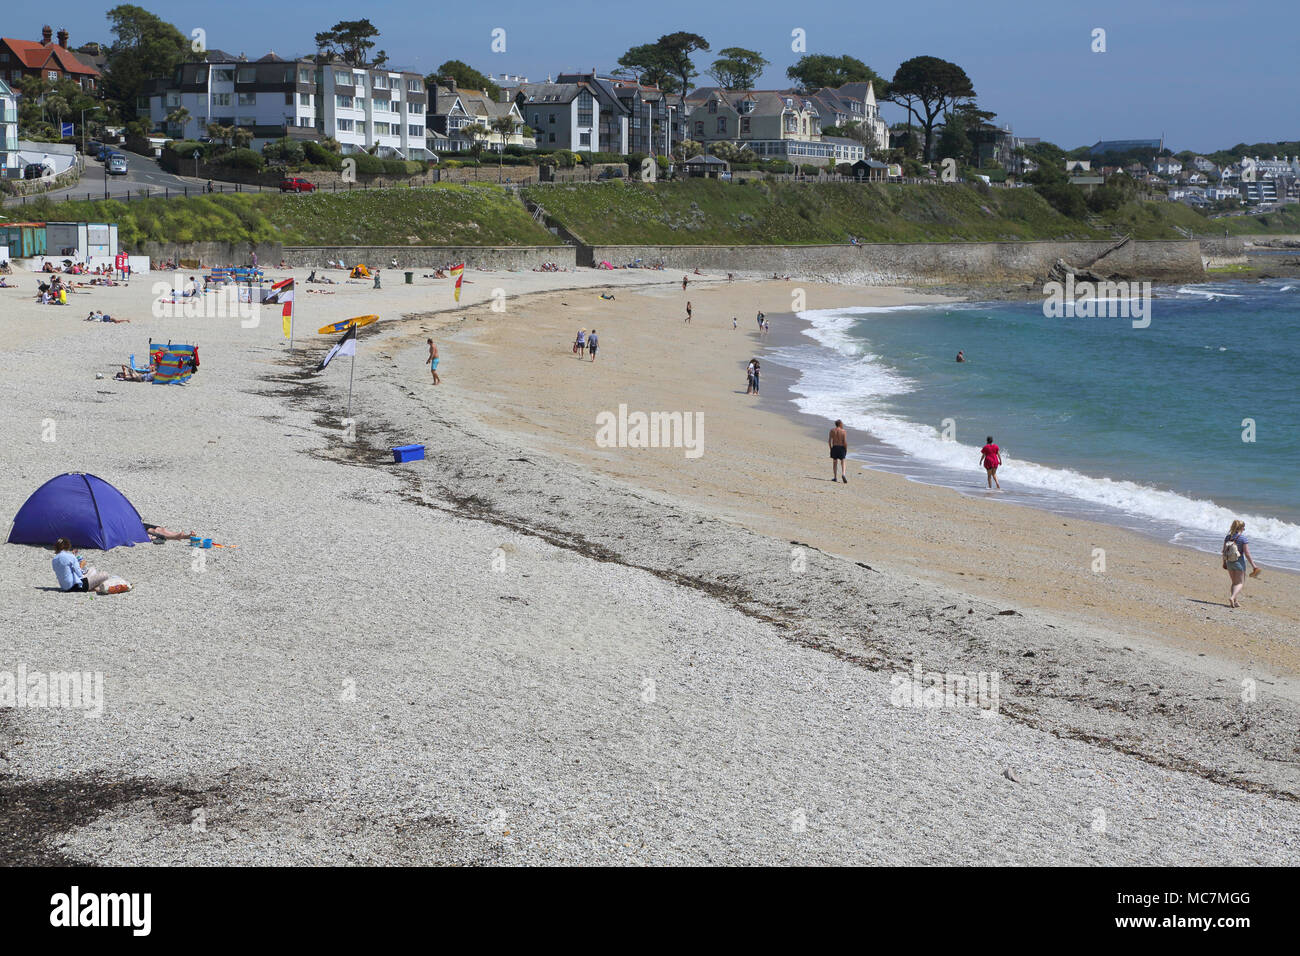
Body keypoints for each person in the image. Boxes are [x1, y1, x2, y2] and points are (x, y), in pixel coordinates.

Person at [1221, 519, 1260, 608]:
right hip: (1239, 562)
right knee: (1240, 583)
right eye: (1244, 528)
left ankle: (1235, 601)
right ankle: (1232, 597)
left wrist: (1224, 562)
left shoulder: (1228, 537)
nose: (1244, 529)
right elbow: (1247, 553)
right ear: (1241, 528)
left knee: (1234, 582)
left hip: (1229, 562)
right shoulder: (1243, 538)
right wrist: (1254, 566)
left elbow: (1224, 551)